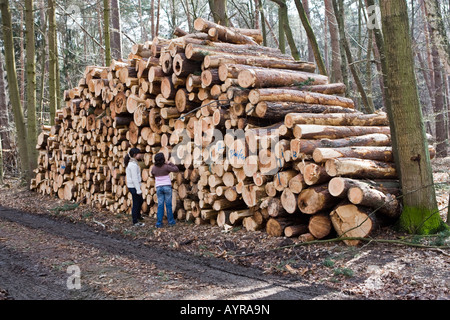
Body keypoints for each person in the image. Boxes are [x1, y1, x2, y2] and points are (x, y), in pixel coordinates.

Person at [151, 153, 179, 228]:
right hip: (167, 186)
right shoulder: (166, 167)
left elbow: (152, 174)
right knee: (168, 205)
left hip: (159, 187)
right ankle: (171, 221)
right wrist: (170, 163)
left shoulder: (154, 168)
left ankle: (159, 223)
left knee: (160, 205)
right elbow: (176, 169)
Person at [125, 148, 145, 226]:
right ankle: (135, 221)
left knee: (140, 201)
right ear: (134, 155)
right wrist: (138, 190)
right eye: (139, 153)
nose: (140, 155)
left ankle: (138, 216)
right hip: (133, 186)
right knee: (136, 203)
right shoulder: (132, 165)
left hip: (133, 186)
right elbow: (134, 179)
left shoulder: (133, 163)